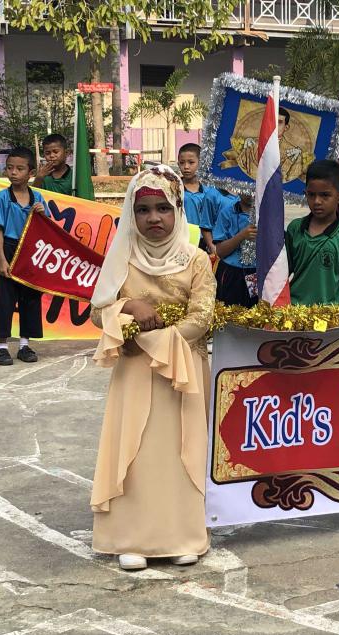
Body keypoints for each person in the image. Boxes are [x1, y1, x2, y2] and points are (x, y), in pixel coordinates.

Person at [89, 166, 215, 571]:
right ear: (131, 213)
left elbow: (203, 316)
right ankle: (132, 538)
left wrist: (157, 340)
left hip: (182, 370)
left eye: (163, 208)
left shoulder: (196, 259)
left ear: (178, 209)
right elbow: (97, 312)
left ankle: (182, 536)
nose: (153, 218)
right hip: (135, 371)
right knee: (137, 450)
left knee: (181, 450)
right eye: (142, 210)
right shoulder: (122, 257)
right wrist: (129, 305)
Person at [0, 147, 52, 366]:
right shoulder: (2, 197)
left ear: (31, 173)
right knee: (5, 299)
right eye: (10, 168)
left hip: (30, 251)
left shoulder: (38, 197)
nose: (14, 172)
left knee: (30, 298)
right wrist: (2, 259)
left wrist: (42, 214)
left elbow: (48, 228)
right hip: (9, 248)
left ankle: (25, 345)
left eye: (19, 168)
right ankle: (1, 347)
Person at [285, 160, 339, 305]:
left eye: (325, 195)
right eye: (311, 195)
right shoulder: (294, 229)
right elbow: (282, 272)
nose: (317, 201)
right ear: (305, 194)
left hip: (329, 314)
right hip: (294, 311)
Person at [177, 143, 226, 255]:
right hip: (181, 240)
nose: (186, 167)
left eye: (191, 162)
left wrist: (212, 243)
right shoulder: (174, 188)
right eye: (182, 163)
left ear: (201, 163)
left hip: (207, 241)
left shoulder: (211, 190)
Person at [213, 191, 258, 307]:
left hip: (256, 274)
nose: (251, 194)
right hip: (231, 273)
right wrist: (242, 236)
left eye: (254, 189)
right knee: (229, 310)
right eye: (246, 190)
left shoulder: (267, 214)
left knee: (254, 311)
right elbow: (220, 251)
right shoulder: (227, 212)